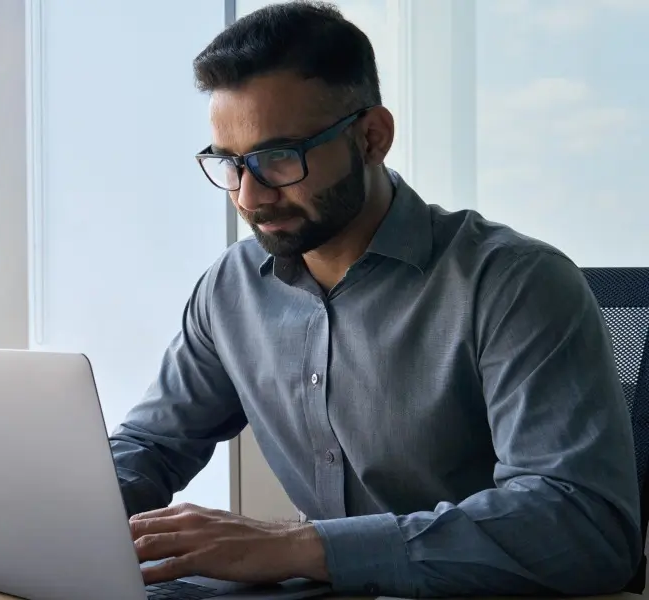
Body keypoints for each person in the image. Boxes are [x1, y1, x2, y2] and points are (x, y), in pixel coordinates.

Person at [109, 1, 642, 597]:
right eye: (229, 163)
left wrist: (297, 547)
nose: (250, 196)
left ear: (372, 138)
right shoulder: (233, 287)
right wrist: (53, 506)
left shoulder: (516, 284)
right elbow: (153, 445)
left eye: (279, 157)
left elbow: (584, 527)